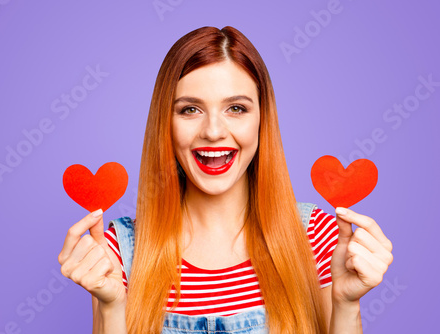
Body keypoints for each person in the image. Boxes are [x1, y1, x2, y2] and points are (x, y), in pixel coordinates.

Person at [57, 26, 393, 334]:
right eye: (190, 109)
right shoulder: (119, 252)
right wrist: (112, 307)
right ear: (166, 123)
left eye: (236, 108)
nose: (214, 132)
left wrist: (347, 305)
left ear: (263, 119)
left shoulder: (315, 235)